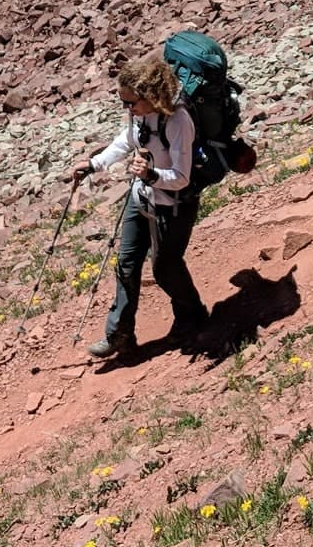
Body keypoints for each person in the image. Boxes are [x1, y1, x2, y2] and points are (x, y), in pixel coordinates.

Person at [68, 54, 211, 359]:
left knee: (165, 269)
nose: (127, 109)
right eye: (124, 103)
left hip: (173, 206)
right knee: (127, 264)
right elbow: (127, 140)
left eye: (130, 103)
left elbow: (182, 177)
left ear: (151, 96)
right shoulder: (141, 114)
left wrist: (151, 175)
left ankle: (193, 315)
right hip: (141, 198)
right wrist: (94, 164)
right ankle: (118, 334)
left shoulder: (178, 121)